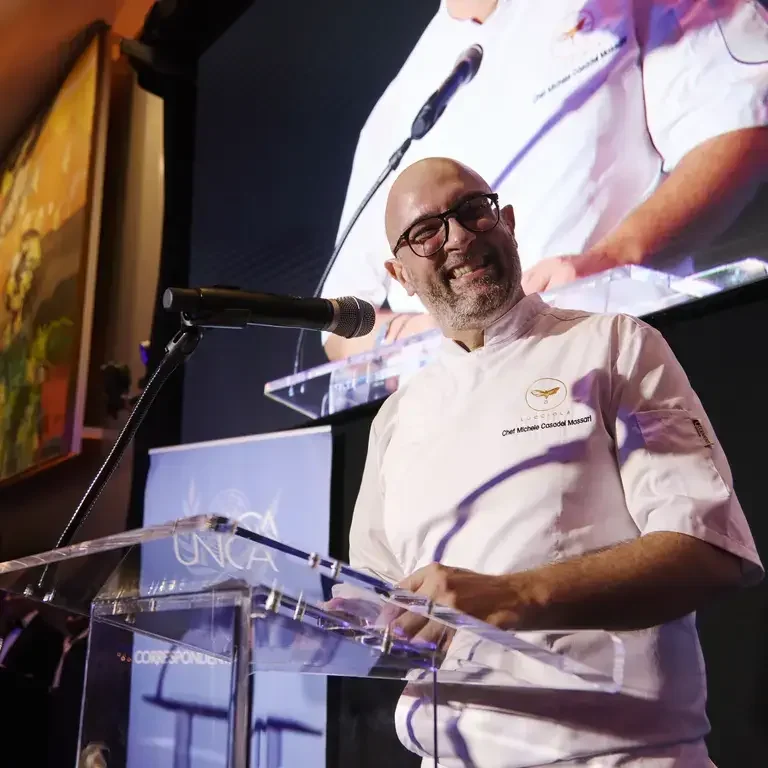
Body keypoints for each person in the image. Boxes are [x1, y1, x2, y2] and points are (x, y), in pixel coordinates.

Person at [346, 156, 764, 766]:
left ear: (507, 222)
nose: (459, 237)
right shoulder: (396, 418)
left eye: (472, 211)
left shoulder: (613, 345)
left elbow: (708, 553)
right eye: (426, 232)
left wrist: (511, 595)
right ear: (399, 274)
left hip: (616, 753)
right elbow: (383, 604)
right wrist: (329, 620)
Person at [320, 0, 768, 361]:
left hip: (619, 351)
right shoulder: (396, 112)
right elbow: (339, 322)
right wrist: (419, 335)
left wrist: (608, 258)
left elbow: (739, 130)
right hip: (464, 410)